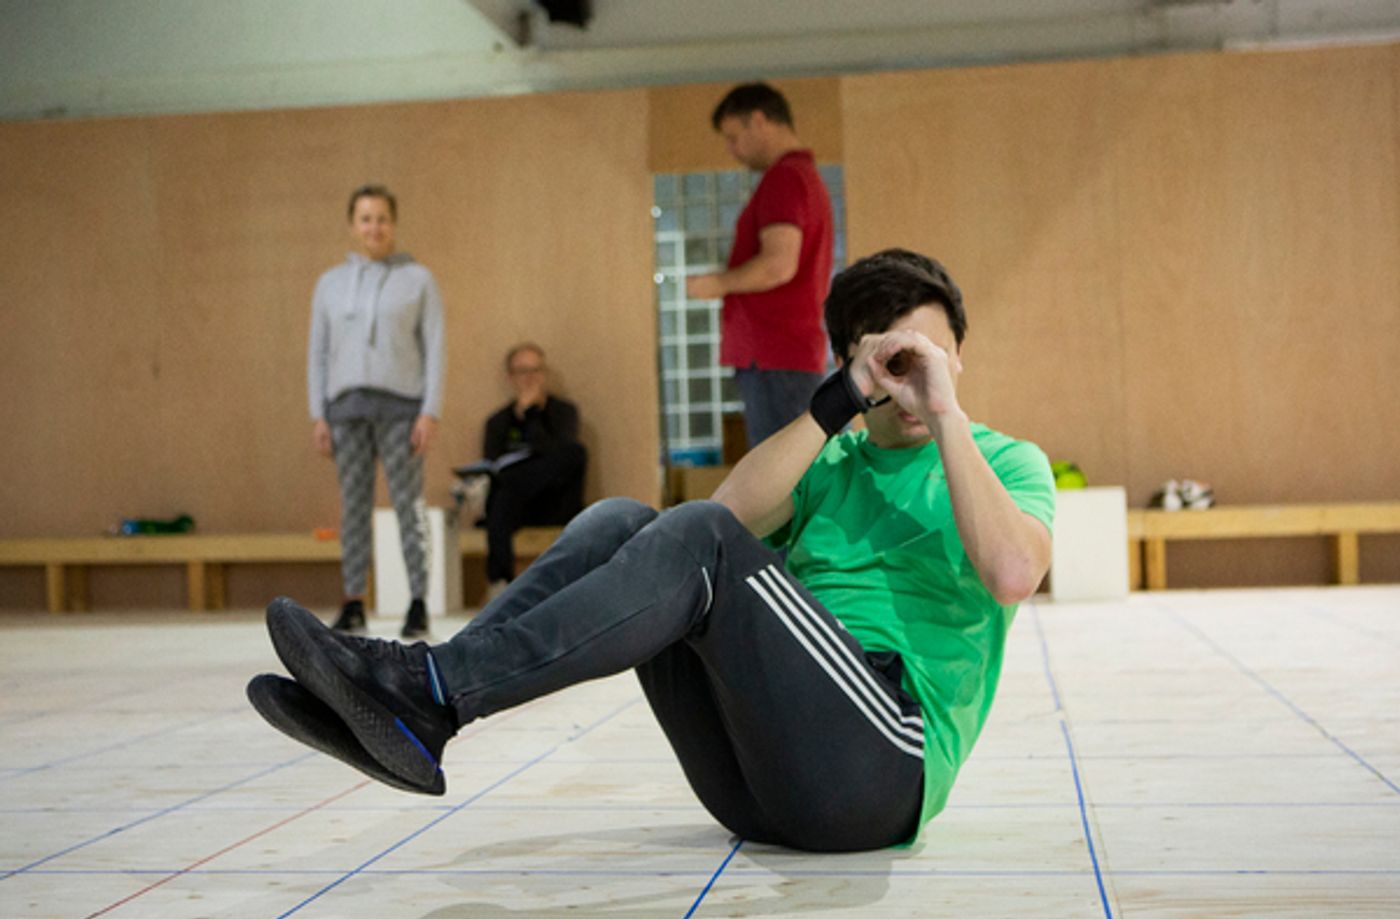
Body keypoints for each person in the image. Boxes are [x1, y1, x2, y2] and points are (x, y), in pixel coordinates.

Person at [252, 249, 1054, 852]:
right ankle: (427, 703)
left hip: (878, 768)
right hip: (749, 786)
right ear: (857, 366)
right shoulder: (827, 460)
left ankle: (430, 691)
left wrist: (946, 414)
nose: (916, 379)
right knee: (622, 521)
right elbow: (720, 514)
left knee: (694, 537)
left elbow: (1014, 573)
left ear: (962, 356)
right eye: (897, 363)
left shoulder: (1006, 462)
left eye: (935, 355)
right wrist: (838, 401)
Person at [306, 184, 445, 640]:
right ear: (352, 225)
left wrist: (430, 411)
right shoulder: (329, 284)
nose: (374, 227)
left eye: (382, 218)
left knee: (407, 504)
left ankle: (419, 601)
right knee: (353, 506)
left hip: (402, 408)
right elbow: (319, 353)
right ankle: (352, 602)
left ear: (393, 223)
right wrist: (318, 413)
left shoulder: (418, 279)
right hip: (345, 411)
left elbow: (435, 347)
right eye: (365, 218)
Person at [686, 82, 834, 449]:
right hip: (784, 352)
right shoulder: (802, 177)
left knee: (782, 476)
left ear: (758, 120)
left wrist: (718, 284)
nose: (732, 150)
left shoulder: (784, 178)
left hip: (775, 351)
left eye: (733, 137)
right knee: (796, 465)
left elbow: (778, 264)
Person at [478, 343, 587, 601]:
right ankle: (500, 583)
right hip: (516, 506)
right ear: (510, 378)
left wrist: (530, 415)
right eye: (523, 371)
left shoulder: (563, 413)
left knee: (575, 454)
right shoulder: (498, 422)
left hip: (556, 501)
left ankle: (501, 581)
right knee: (503, 495)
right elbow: (492, 465)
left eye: (536, 370)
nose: (531, 378)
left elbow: (557, 457)